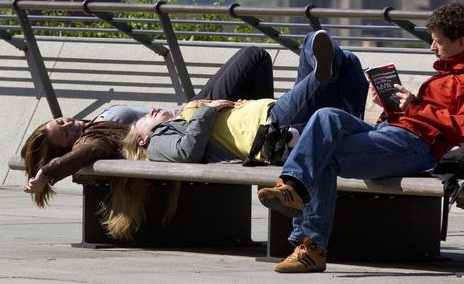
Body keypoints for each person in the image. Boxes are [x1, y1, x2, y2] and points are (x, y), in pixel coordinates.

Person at [258, 1, 464, 274]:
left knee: (322, 154)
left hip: (417, 147)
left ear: (460, 42)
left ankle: (310, 243)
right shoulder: (441, 77)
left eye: (438, 41)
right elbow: (423, 115)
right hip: (393, 133)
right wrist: (391, 105)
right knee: (326, 116)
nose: (432, 47)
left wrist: (415, 106)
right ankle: (293, 187)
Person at [101, 29, 365, 239]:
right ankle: (349, 114)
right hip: (270, 129)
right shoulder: (157, 143)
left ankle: (352, 121)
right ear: (143, 138)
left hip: (271, 113)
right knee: (334, 67)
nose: (152, 110)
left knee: (332, 53)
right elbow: (187, 151)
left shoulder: (182, 119)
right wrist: (210, 109)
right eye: (145, 119)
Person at [21, 45, 284, 207]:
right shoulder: (92, 139)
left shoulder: (94, 122)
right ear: (67, 148)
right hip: (186, 124)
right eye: (65, 133)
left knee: (256, 58)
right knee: (255, 57)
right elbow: (83, 155)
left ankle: (269, 136)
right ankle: (269, 148)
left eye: (61, 121)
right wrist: (49, 172)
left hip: (188, 111)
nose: (69, 124)